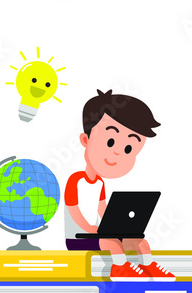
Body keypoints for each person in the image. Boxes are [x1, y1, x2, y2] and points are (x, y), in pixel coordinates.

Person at [64, 89, 175, 281]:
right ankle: (119, 269)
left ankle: (149, 268)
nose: (117, 153)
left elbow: (102, 209)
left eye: (128, 149)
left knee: (139, 241)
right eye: (110, 142)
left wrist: (115, 226)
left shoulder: (99, 183)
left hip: (98, 235)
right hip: (78, 238)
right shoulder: (76, 180)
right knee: (112, 243)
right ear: (85, 140)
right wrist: (91, 229)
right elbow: (74, 210)